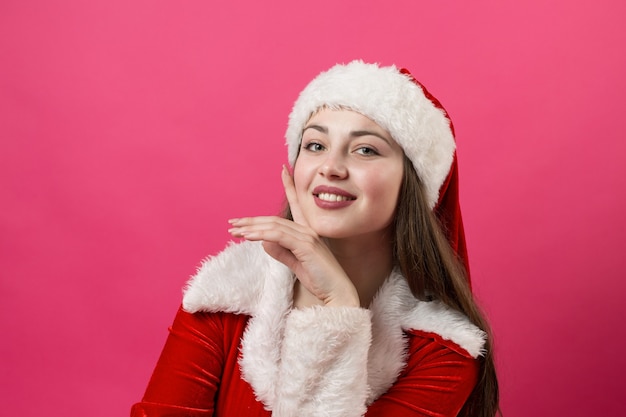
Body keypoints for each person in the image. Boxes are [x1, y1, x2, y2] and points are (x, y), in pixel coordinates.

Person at [131, 60, 500, 417]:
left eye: (365, 150)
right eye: (315, 145)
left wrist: (336, 308)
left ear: (413, 183)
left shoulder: (441, 349)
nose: (330, 168)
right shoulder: (225, 296)